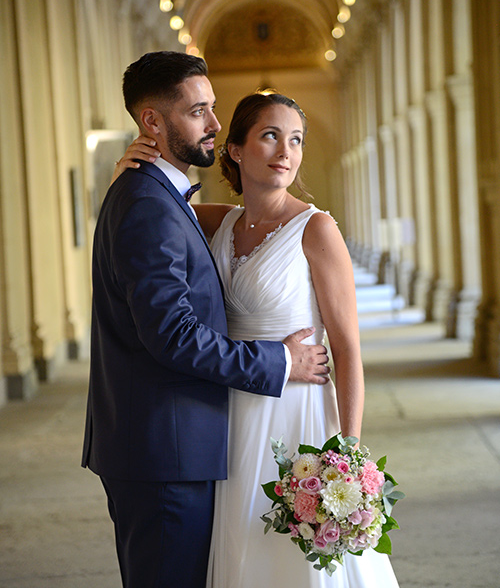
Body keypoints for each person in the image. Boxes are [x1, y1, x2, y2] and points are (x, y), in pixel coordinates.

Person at [117, 91, 400, 587]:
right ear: (235, 150)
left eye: (295, 140)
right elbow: (158, 203)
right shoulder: (220, 222)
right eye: (270, 136)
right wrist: (129, 172)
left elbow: (347, 347)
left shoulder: (317, 228)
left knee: (300, 560)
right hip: (234, 415)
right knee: (242, 546)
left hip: (300, 411)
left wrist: (348, 455)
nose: (285, 152)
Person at [81, 52, 331, 588]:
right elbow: (173, 335)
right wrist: (282, 359)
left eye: (214, 109)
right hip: (164, 451)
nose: (215, 124)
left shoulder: (155, 195)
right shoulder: (148, 201)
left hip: (170, 443)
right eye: (199, 111)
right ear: (153, 121)